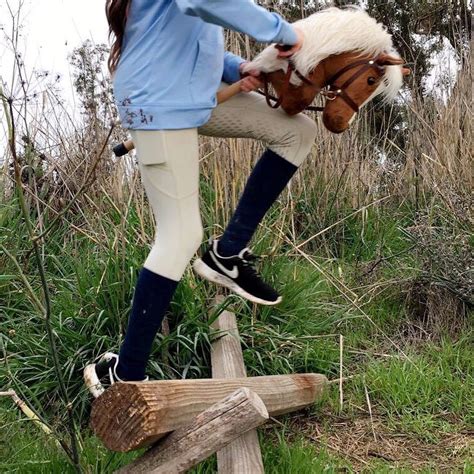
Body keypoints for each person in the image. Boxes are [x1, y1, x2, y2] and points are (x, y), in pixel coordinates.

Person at [85, 0, 317, 392]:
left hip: (191, 97)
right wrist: (286, 33)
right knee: (180, 235)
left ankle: (227, 255)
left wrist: (236, 69)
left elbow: (195, 37)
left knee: (297, 133)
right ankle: (124, 373)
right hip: (159, 104)